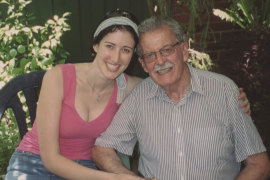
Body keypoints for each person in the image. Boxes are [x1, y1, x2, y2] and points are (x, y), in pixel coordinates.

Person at [92, 16, 270, 180]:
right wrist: (130, 178)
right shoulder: (139, 97)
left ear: (184, 50)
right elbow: (102, 150)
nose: (160, 61)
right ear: (143, 64)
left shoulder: (223, 91)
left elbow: (258, 164)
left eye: (166, 50)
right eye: (150, 55)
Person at [5, 9, 157, 180]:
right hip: (34, 163)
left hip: (83, 169)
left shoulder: (128, 87)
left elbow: (166, 85)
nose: (116, 58)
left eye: (126, 50)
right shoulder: (58, 78)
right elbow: (51, 160)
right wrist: (115, 178)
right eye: (110, 46)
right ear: (96, 45)